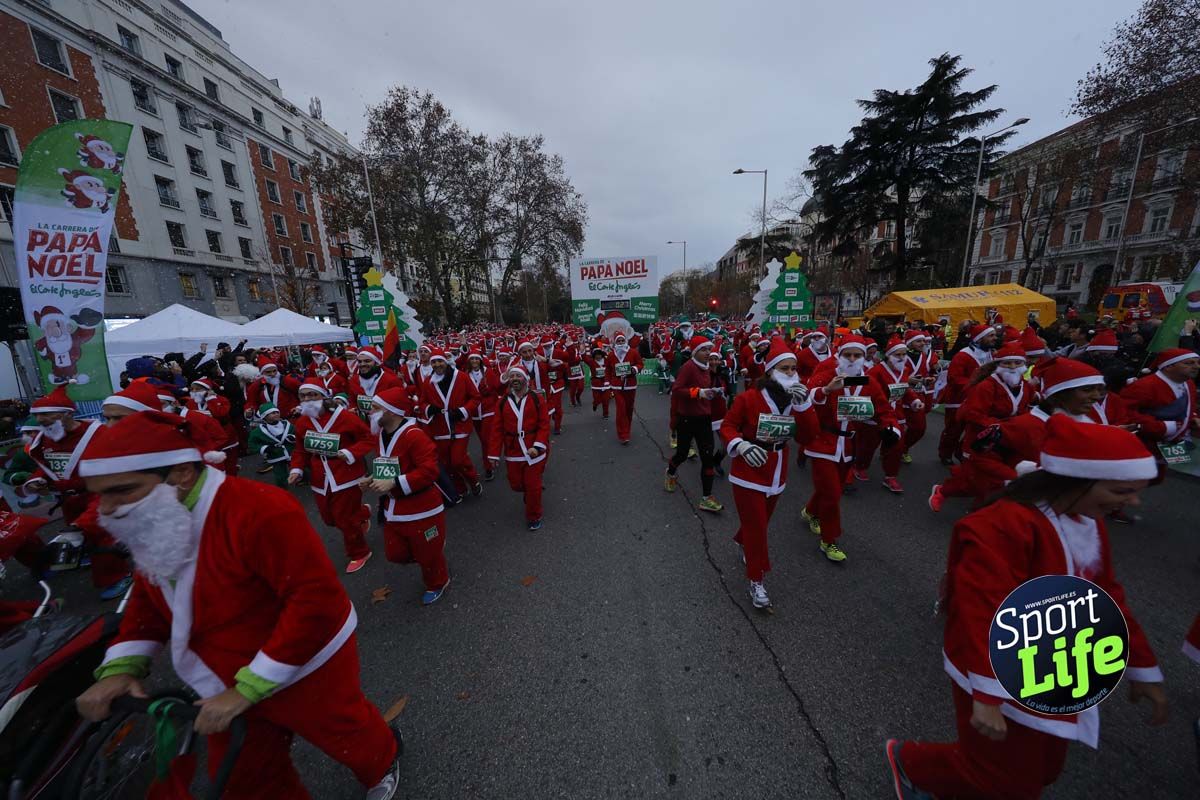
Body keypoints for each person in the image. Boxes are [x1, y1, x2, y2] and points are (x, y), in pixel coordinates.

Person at [73, 411, 401, 800]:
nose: (105, 509)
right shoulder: (155, 515)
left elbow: (315, 602)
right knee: (245, 780)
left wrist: (251, 686)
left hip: (306, 659)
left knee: (346, 733)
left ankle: (383, 759)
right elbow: (153, 593)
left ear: (181, 473)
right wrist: (122, 666)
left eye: (121, 490)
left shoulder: (260, 509)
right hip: (221, 675)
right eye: (99, 494)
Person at [887, 416, 1167, 800]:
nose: (1132, 502)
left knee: (1045, 768)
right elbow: (980, 609)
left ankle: (929, 769)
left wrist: (1141, 666)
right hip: (993, 664)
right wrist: (988, 694)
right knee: (1008, 780)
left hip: (1057, 664)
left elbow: (1106, 594)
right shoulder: (1004, 524)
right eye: (1122, 490)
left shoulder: (1088, 522)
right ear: (1076, 480)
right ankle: (911, 763)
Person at [719, 338, 811, 608]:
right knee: (758, 529)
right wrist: (741, 445)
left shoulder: (796, 399)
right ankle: (756, 580)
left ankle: (742, 541)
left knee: (759, 523)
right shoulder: (749, 398)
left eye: (793, 368)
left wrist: (804, 407)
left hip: (777, 471)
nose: (791, 373)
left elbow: (808, 436)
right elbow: (728, 426)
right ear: (770, 372)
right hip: (748, 472)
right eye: (784, 368)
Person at [25, 385, 130, 599]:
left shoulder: (97, 434)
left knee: (102, 535)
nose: (40, 420)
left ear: (67, 414)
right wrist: (37, 480)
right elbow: (44, 464)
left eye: (46, 414)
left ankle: (117, 576)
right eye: (37, 415)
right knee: (77, 534)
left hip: (98, 493)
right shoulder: (45, 438)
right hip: (69, 499)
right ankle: (84, 555)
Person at [801, 335, 899, 563]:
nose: (853, 359)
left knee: (829, 489)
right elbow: (807, 397)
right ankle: (829, 540)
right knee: (833, 494)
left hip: (848, 445)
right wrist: (826, 390)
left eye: (857, 355)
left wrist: (890, 428)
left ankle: (810, 511)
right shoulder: (828, 374)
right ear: (840, 355)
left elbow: (884, 409)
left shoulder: (868, 381)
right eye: (848, 355)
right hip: (823, 443)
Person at [361, 388, 449, 605]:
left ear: (391, 411)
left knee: (428, 556)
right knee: (395, 554)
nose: (370, 412)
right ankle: (432, 550)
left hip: (422, 507)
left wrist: (395, 482)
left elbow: (430, 470)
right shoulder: (381, 434)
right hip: (395, 508)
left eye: (375, 408)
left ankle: (438, 581)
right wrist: (372, 478)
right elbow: (388, 464)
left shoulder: (414, 435)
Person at [931, 343, 1033, 511]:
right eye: (1007, 363)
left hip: (1008, 440)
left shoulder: (1026, 387)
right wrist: (1001, 426)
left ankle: (975, 505)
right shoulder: (987, 386)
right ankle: (948, 493)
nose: (1013, 367)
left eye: (1017, 362)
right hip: (982, 438)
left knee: (993, 481)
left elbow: (1025, 410)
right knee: (981, 482)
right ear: (999, 364)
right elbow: (972, 414)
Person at [288, 382, 374, 573]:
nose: (308, 399)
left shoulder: (345, 417)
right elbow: (300, 450)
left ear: (323, 396)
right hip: (320, 477)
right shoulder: (302, 423)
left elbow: (368, 438)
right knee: (329, 519)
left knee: (345, 520)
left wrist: (350, 452)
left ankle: (359, 552)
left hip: (346, 475)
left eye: (312, 395)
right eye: (303, 396)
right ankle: (362, 513)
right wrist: (296, 469)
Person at [1119, 348, 1200, 484]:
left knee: (1157, 478)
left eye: (1197, 362)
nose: (1196, 366)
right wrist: (1161, 427)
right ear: (1168, 366)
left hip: (1174, 442)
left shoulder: (1189, 384)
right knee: (1131, 481)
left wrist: (1193, 417)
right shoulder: (1145, 386)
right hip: (1145, 444)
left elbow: (1189, 405)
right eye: (1189, 363)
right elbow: (1123, 412)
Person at [854, 336, 923, 493]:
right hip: (875, 415)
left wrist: (914, 400)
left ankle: (890, 476)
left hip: (896, 415)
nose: (901, 358)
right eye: (898, 354)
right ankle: (860, 466)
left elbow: (905, 389)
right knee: (868, 446)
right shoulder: (876, 371)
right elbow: (863, 387)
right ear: (889, 355)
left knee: (896, 447)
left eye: (904, 354)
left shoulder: (905, 370)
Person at [663, 336, 724, 512]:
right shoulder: (688, 367)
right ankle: (670, 472)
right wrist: (699, 393)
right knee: (682, 454)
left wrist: (715, 391)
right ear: (695, 352)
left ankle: (706, 498)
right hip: (687, 419)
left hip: (704, 419)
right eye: (704, 350)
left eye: (709, 349)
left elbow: (707, 389)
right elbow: (677, 390)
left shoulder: (707, 367)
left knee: (707, 458)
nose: (708, 353)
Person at [488, 365, 551, 530]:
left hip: (533, 449)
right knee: (516, 484)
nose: (515, 379)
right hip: (513, 450)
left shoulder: (537, 398)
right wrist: (494, 454)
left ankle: (534, 516)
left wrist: (537, 446)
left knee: (533, 486)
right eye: (512, 376)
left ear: (525, 379)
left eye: (518, 376)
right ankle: (529, 495)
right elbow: (496, 429)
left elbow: (544, 425)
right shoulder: (502, 402)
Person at [418, 348, 482, 497]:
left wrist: (463, 411)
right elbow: (422, 402)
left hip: (459, 425)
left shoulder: (461, 377)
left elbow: (475, 398)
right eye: (434, 362)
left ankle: (473, 480)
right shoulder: (428, 381)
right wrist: (428, 408)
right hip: (440, 428)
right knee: (446, 463)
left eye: (440, 361)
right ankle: (460, 488)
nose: (437, 365)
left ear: (446, 362)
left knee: (458, 460)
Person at [937, 324, 997, 464]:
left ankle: (961, 451)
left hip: (978, 400)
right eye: (991, 335)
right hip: (958, 400)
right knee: (953, 430)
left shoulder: (991, 355)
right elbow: (954, 378)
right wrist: (978, 385)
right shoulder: (963, 355)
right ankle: (945, 454)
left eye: (994, 335)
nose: (995, 338)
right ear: (980, 338)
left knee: (975, 430)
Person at [463, 349, 502, 481]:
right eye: (472, 359)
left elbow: (496, 386)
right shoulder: (465, 375)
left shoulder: (488, 372)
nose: (474, 361)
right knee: (483, 439)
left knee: (485, 439)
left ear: (480, 360)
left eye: (476, 359)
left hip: (488, 410)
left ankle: (488, 467)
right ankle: (493, 454)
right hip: (474, 412)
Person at [348, 346, 406, 422]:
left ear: (377, 363)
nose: (362, 364)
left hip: (386, 423)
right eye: (359, 361)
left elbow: (401, 405)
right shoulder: (353, 380)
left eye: (367, 361)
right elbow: (352, 401)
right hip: (363, 424)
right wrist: (353, 410)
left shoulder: (391, 380)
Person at [606, 333, 644, 445]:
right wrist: (608, 382)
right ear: (615, 342)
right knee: (621, 409)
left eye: (622, 340)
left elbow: (640, 364)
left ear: (625, 341)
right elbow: (607, 369)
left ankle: (627, 429)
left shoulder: (633, 352)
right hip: (617, 385)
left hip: (630, 385)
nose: (621, 343)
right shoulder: (611, 355)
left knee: (629, 409)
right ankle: (623, 434)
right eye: (618, 341)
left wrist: (634, 369)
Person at [247, 403, 295, 488]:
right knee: (280, 475)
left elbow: (297, 433)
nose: (276, 414)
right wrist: (264, 448)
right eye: (273, 413)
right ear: (264, 417)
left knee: (298, 467)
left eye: (277, 412)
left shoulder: (287, 425)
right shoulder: (258, 431)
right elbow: (252, 444)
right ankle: (282, 489)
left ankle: (304, 479)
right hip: (275, 455)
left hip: (290, 452)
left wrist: (292, 437)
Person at [583, 344, 612, 418]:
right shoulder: (591, 362)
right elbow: (585, 359)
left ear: (602, 354)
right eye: (596, 355)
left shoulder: (607, 360)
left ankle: (606, 414)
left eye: (599, 354)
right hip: (596, 384)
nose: (598, 356)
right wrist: (582, 351)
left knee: (606, 400)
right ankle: (595, 404)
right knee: (596, 399)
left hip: (606, 383)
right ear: (594, 355)